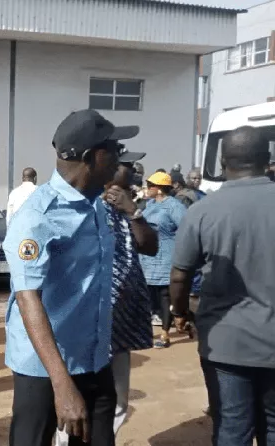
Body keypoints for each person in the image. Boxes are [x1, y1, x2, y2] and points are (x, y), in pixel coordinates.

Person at [4, 109, 140, 446]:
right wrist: (62, 384)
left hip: (94, 358)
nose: (121, 160)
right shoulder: (37, 217)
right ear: (94, 156)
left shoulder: (98, 204)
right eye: (115, 150)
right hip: (44, 369)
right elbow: (27, 298)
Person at [170, 126, 275, 446]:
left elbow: (179, 275)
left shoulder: (203, 210)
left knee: (232, 426)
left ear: (222, 161)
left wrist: (180, 311)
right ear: (267, 160)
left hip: (226, 343)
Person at [55, 157, 157, 446]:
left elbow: (150, 246)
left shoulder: (128, 208)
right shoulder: (83, 207)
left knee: (118, 401)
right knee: (75, 401)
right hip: (84, 324)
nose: (132, 172)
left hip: (120, 327)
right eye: (123, 165)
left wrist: (134, 212)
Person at [138, 171, 186, 347]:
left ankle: (165, 334)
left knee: (165, 295)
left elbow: (185, 229)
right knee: (150, 297)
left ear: (158, 189)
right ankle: (184, 320)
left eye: (151, 186)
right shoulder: (149, 205)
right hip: (147, 259)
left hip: (166, 256)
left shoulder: (174, 207)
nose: (148, 188)